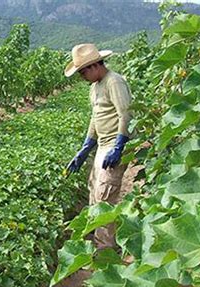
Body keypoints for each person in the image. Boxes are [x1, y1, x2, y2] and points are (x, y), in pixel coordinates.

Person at [65, 43, 132, 250]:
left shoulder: (114, 82)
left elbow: (126, 114)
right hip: (102, 145)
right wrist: (85, 149)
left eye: (82, 72)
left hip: (113, 144)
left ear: (94, 66)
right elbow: (96, 119)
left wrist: (119, 146)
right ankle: (101, 245)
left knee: (104, 197)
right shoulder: (95, 87)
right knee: (95, 194)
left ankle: (105, 252)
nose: (81, 77)